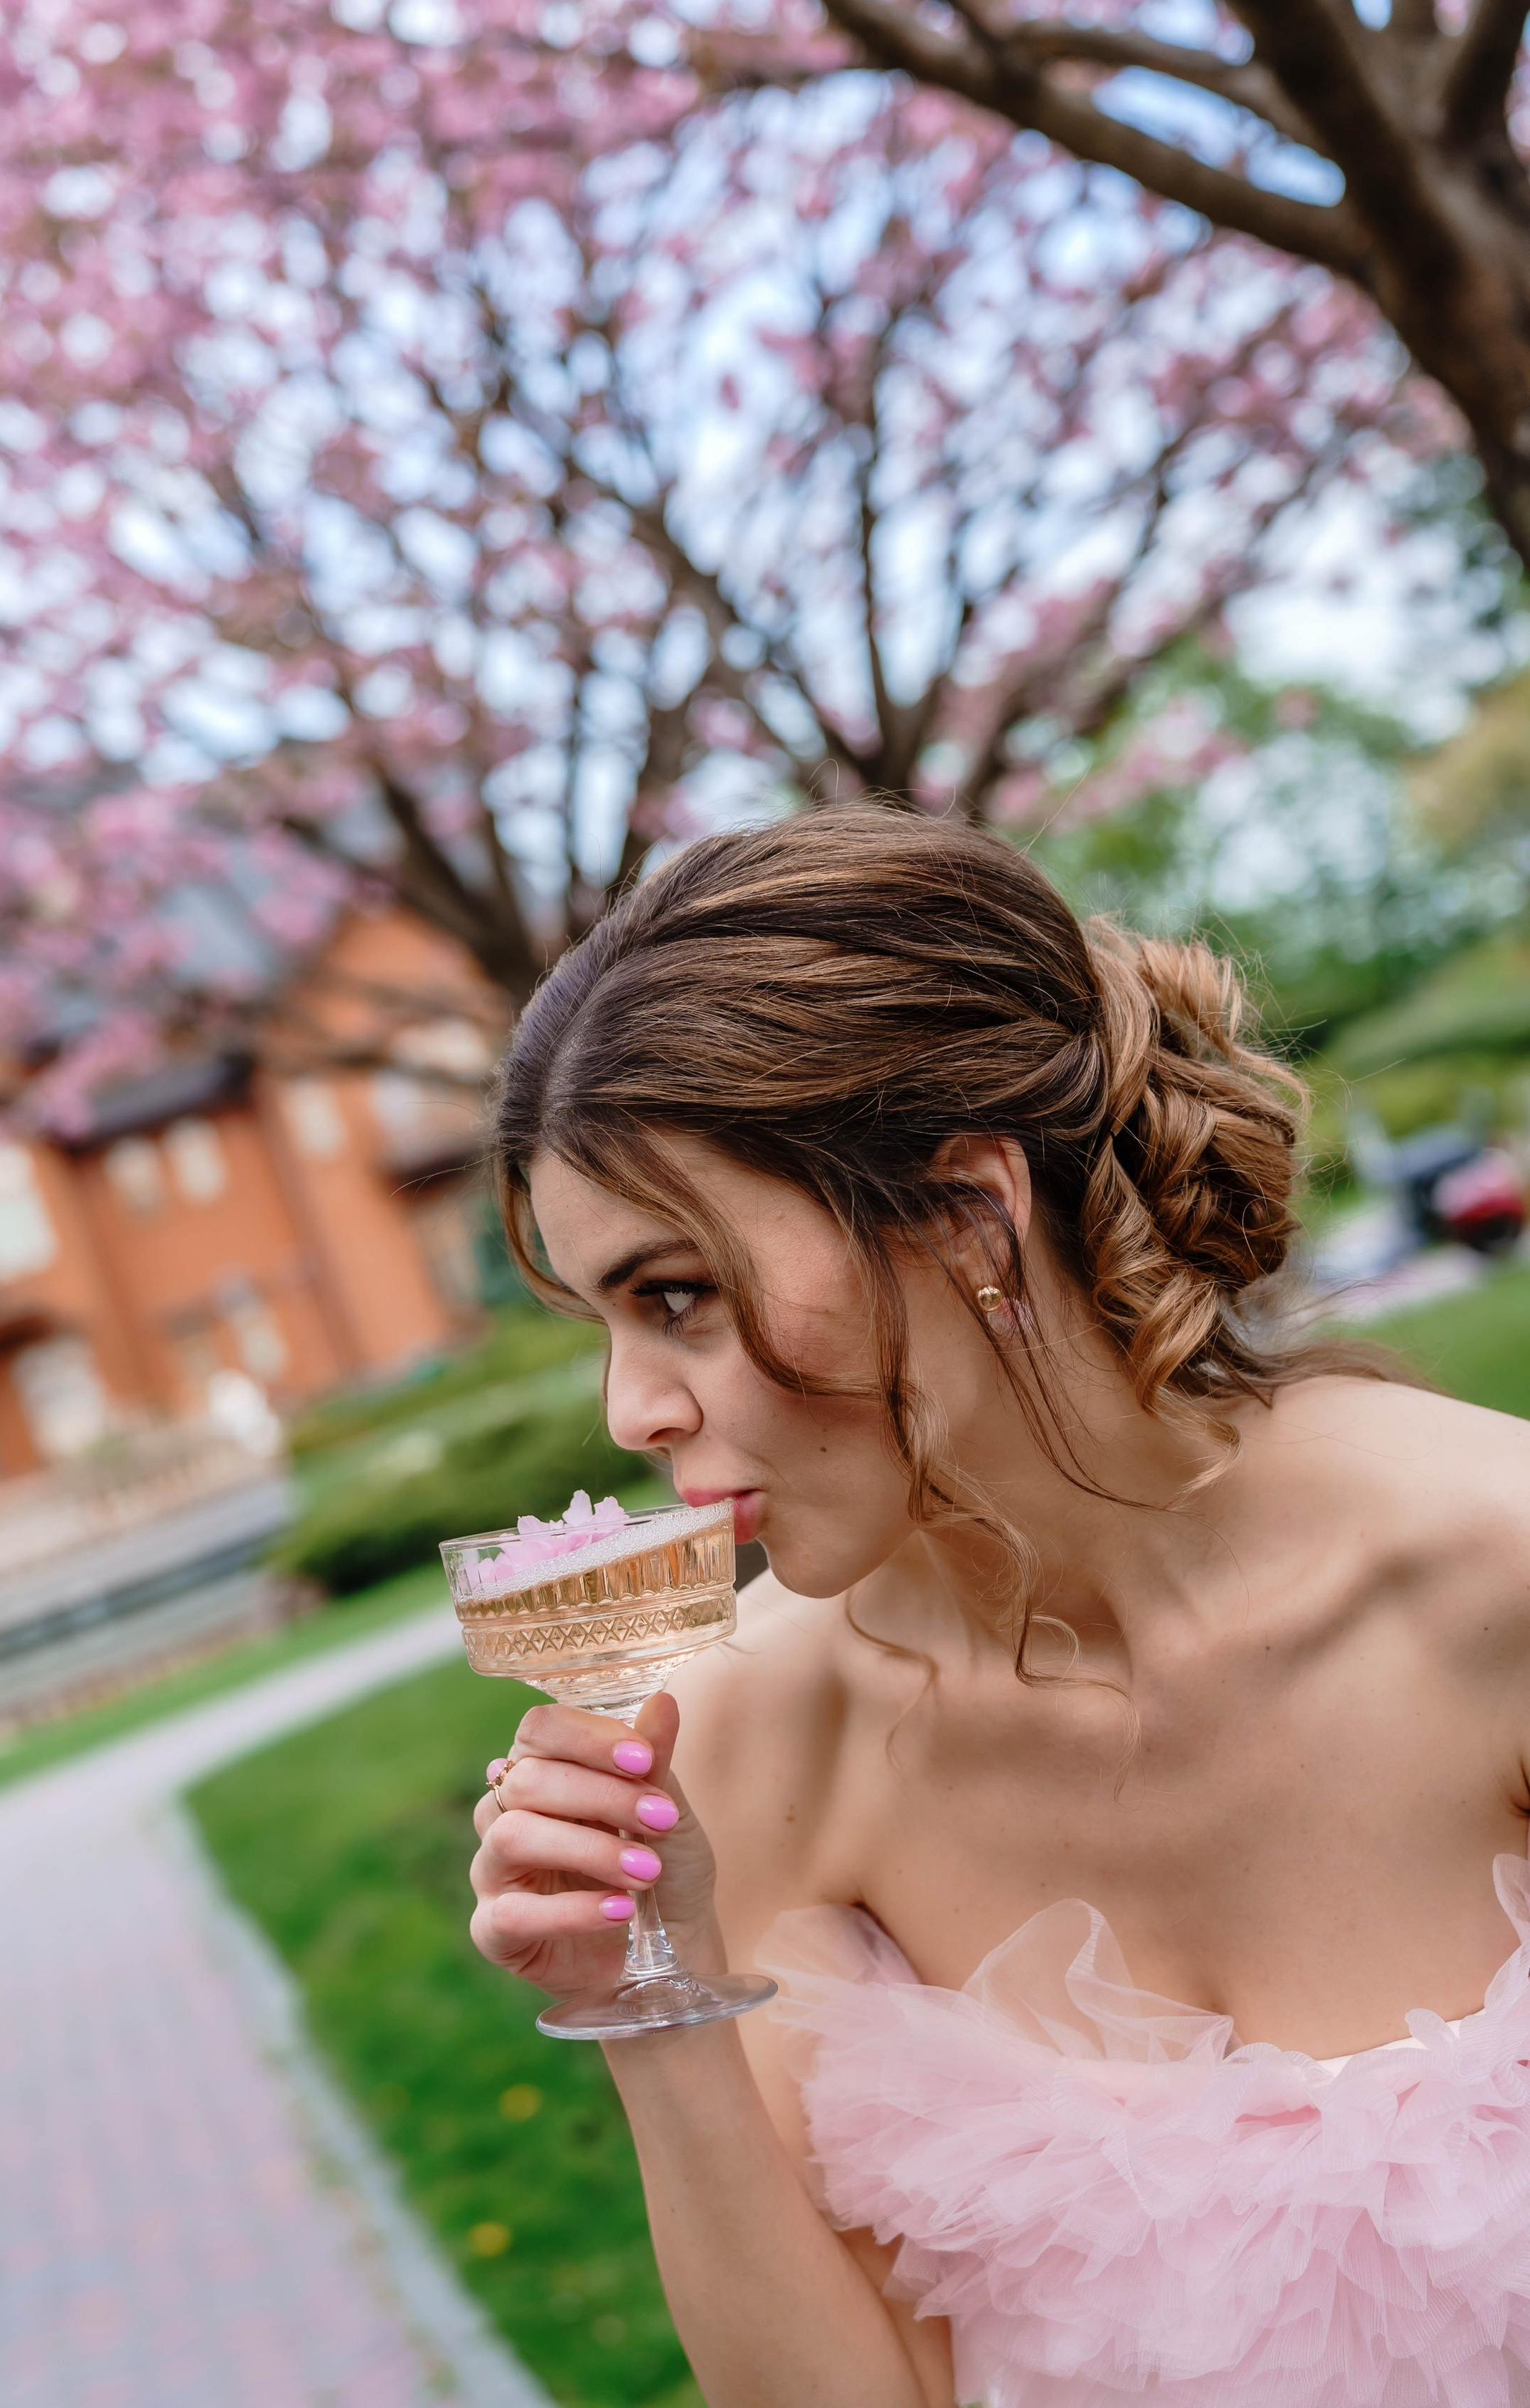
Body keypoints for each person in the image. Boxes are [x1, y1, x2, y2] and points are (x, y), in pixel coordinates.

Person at [465, 806, 1530, 2408]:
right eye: (605, 1322)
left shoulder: (1494, 1578)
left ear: (968, 1208)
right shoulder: (745, 1748)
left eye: (678, 1295)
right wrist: (645, 2010)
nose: (631, 1409)